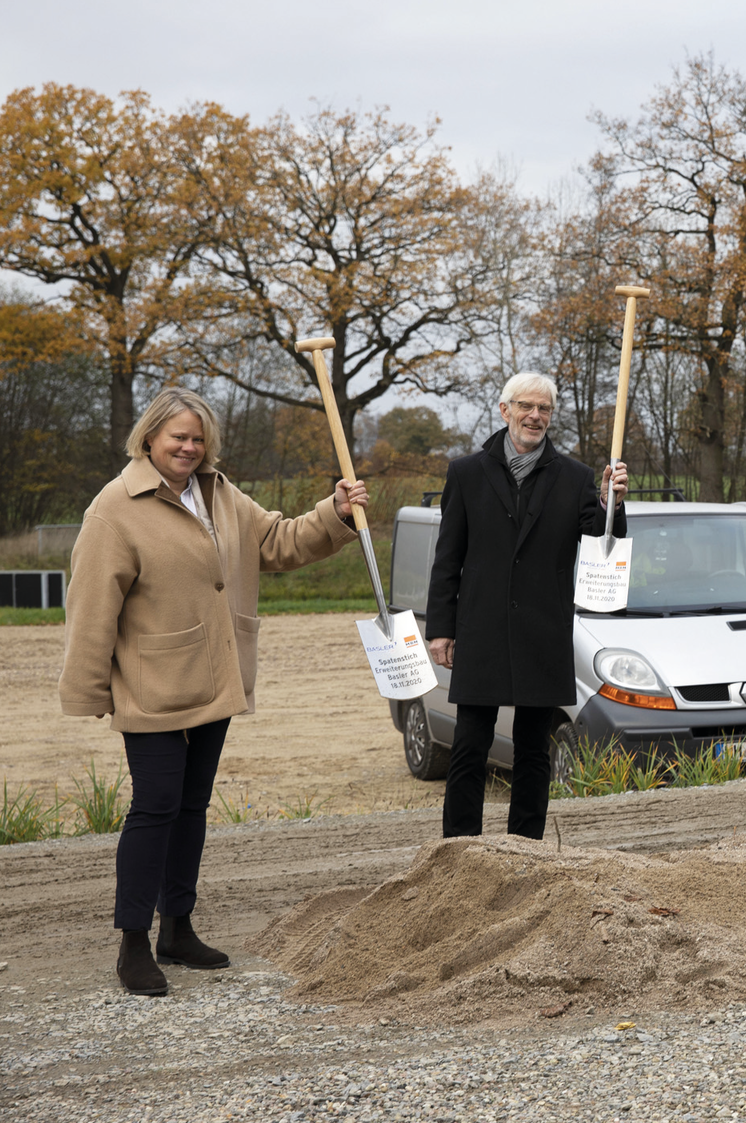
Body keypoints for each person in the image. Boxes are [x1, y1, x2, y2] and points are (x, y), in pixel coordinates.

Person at [60, 387, 369, 997]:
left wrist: (334, 512)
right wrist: (90, 689)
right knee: (155, 808)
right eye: (178, 436)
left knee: (193, 807)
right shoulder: (115, 508)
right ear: (148, 437)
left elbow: (278, 542)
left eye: (198, 438)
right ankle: (132, 944)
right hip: (151, 684)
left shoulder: (220, 493)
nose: (189, 447)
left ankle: (177, 927)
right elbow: (92, 604)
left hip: (217, 678)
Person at [425, 373, 628, 840]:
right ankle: (459, 850)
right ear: (505, 410)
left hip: (543, 632)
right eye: (526, 407)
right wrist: (442, 628)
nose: (535, 417)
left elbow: (604, 540)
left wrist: (610, 500)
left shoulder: (575, 477)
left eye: (545, 410)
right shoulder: (466, 473)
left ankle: (526, 848)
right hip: (481, 630)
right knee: (469, 746)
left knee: (534, 750)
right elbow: (448, 558)